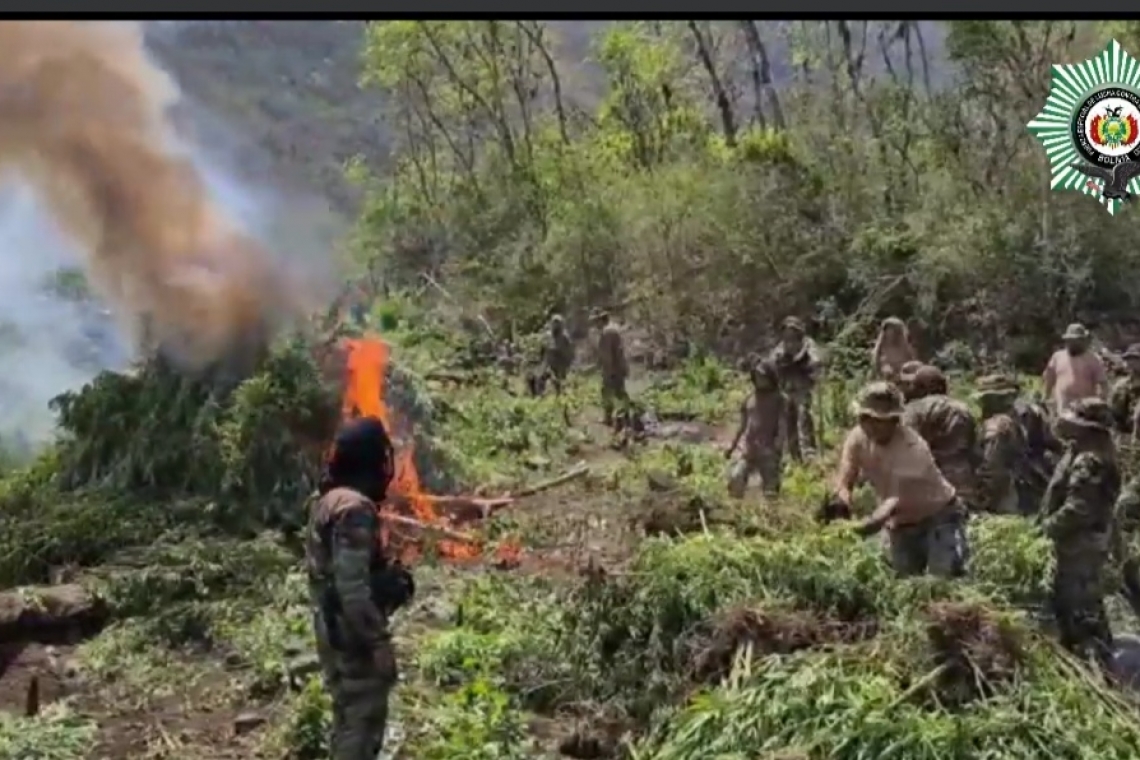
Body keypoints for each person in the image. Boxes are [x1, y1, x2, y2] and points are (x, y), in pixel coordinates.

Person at [306, 416, 413, 759]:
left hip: (331, 627)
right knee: (361, 723)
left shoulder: (329, 500)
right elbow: (352, 589)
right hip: (352, 636)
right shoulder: (354, 509)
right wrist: (378, 643)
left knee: (348, 718)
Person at [832, 382, 968, 577]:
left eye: (877, 420)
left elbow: (890, 505)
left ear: (894, 421)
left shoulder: (911, 448)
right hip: (901, 523)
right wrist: (841, 501)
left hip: (938, 517)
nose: (869, 425)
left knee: (944, 581)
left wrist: (856, 528)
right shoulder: (857, 438)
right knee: (902, 580)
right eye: (864, 418)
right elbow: (846, 477)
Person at [1040, 397, 1120, 673]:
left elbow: (1079, 508)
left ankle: (1098, 667)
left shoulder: (1089, 459)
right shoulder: (1082, 450)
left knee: (1081, 605)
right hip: (1081, 541)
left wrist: (1047, 528)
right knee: (1078, 600)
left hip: (1081, 544)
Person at [901, 364, 979, 513]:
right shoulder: (963, 408)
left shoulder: (913, 410)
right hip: (964, 483)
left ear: (920, 387)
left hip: (931, 487)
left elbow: (906, 448)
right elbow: (973, 449)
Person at [724, 361, 786, 498]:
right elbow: (742, 426)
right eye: (757, 376)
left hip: (768, 449)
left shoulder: (779, 399)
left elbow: (782, 424)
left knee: (771, 488)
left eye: (763, 376)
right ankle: (737, 509)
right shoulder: (749, 399)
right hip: (749, 448)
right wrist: (732, 446)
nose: (760, 380)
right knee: (736, 477)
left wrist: (778, 445)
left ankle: (772, 513)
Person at [770, 316, 823, 461]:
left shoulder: (807, 343)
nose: (790, 338)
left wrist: (813, 364)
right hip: (786, 388)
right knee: (789, 421)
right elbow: (772, 361)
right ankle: (795, 455)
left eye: (792, 333)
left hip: (802, 387)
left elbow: (816, 358)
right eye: (786, 333)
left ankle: (809, 452)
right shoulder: (781, 347)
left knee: (804, 416)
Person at [973, 374, 1026, 515]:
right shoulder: (1014, 417)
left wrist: (983, 499)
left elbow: (992, 469)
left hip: (1001, 496)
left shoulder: (996, 426)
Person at [1043, 322, 1109, 414]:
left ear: (1083, 341)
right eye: (1070, 340)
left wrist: (1100, 401)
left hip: (1085, 409)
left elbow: (1103, 384)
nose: (1073, 343)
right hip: (1061, 407)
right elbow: (1049, 378)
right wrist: (1046, 397)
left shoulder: (1093, 359)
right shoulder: (1057, 357)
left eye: (1076, 340)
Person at [591, 309, 629, 427]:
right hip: (620, 367)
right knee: (620, 393)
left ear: (600, 320)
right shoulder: (615, 329)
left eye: (595, 321)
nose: (594, 325)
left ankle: (608, 418)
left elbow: (607, 355)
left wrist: (608, 372)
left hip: (612, 369)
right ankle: (626, 416)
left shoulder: (607, 333)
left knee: (607, 392)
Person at [871, 316, 916, 383]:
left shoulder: (905, 344)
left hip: (905, 375)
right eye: (887, 330)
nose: (890, 333)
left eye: (893, 330)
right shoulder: (881, 346)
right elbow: (877, 362)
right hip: (888, 376)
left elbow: (912, 360)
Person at [1108, 343, 1140, 437]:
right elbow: (1114, 415)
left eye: (1135, 359)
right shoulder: (1121, 386)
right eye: (1129, 359)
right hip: (1126, 438)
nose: (1131, 363)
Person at [542, 314, 575, 395]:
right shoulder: (549, 336)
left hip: (561, 364)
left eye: (557, 323)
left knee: (561, 383)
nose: (555, 325)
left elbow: (569, 352)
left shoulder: (564, 337)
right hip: (551, 365)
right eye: (554, 323)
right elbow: (546, 349)